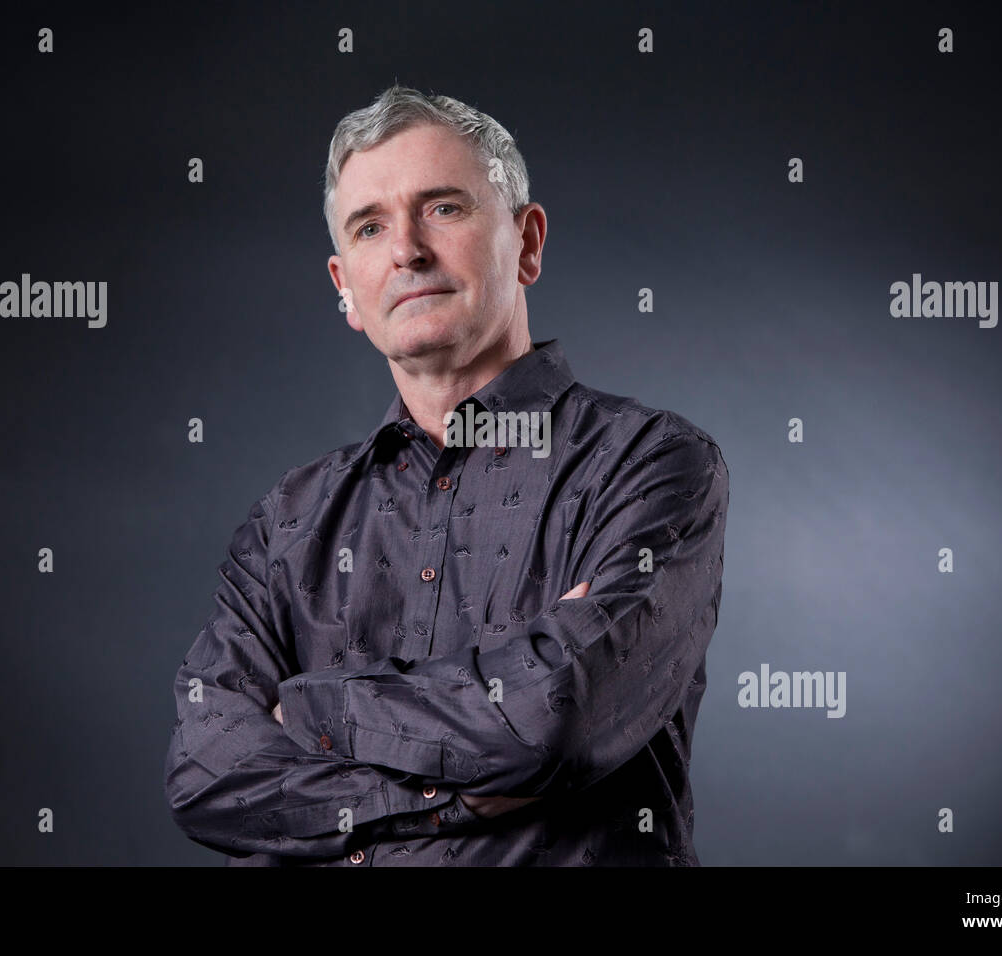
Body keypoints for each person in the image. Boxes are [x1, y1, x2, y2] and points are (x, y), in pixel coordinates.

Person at [163, 84, 729, 866]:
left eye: (443, 209)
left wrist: (304, 709)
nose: (406, 250)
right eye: (370, 226)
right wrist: (445, 791)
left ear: (528, 242)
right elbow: (204, 772)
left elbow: (553, 718)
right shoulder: (287, 523)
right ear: (346, 290)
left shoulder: (650, 466)